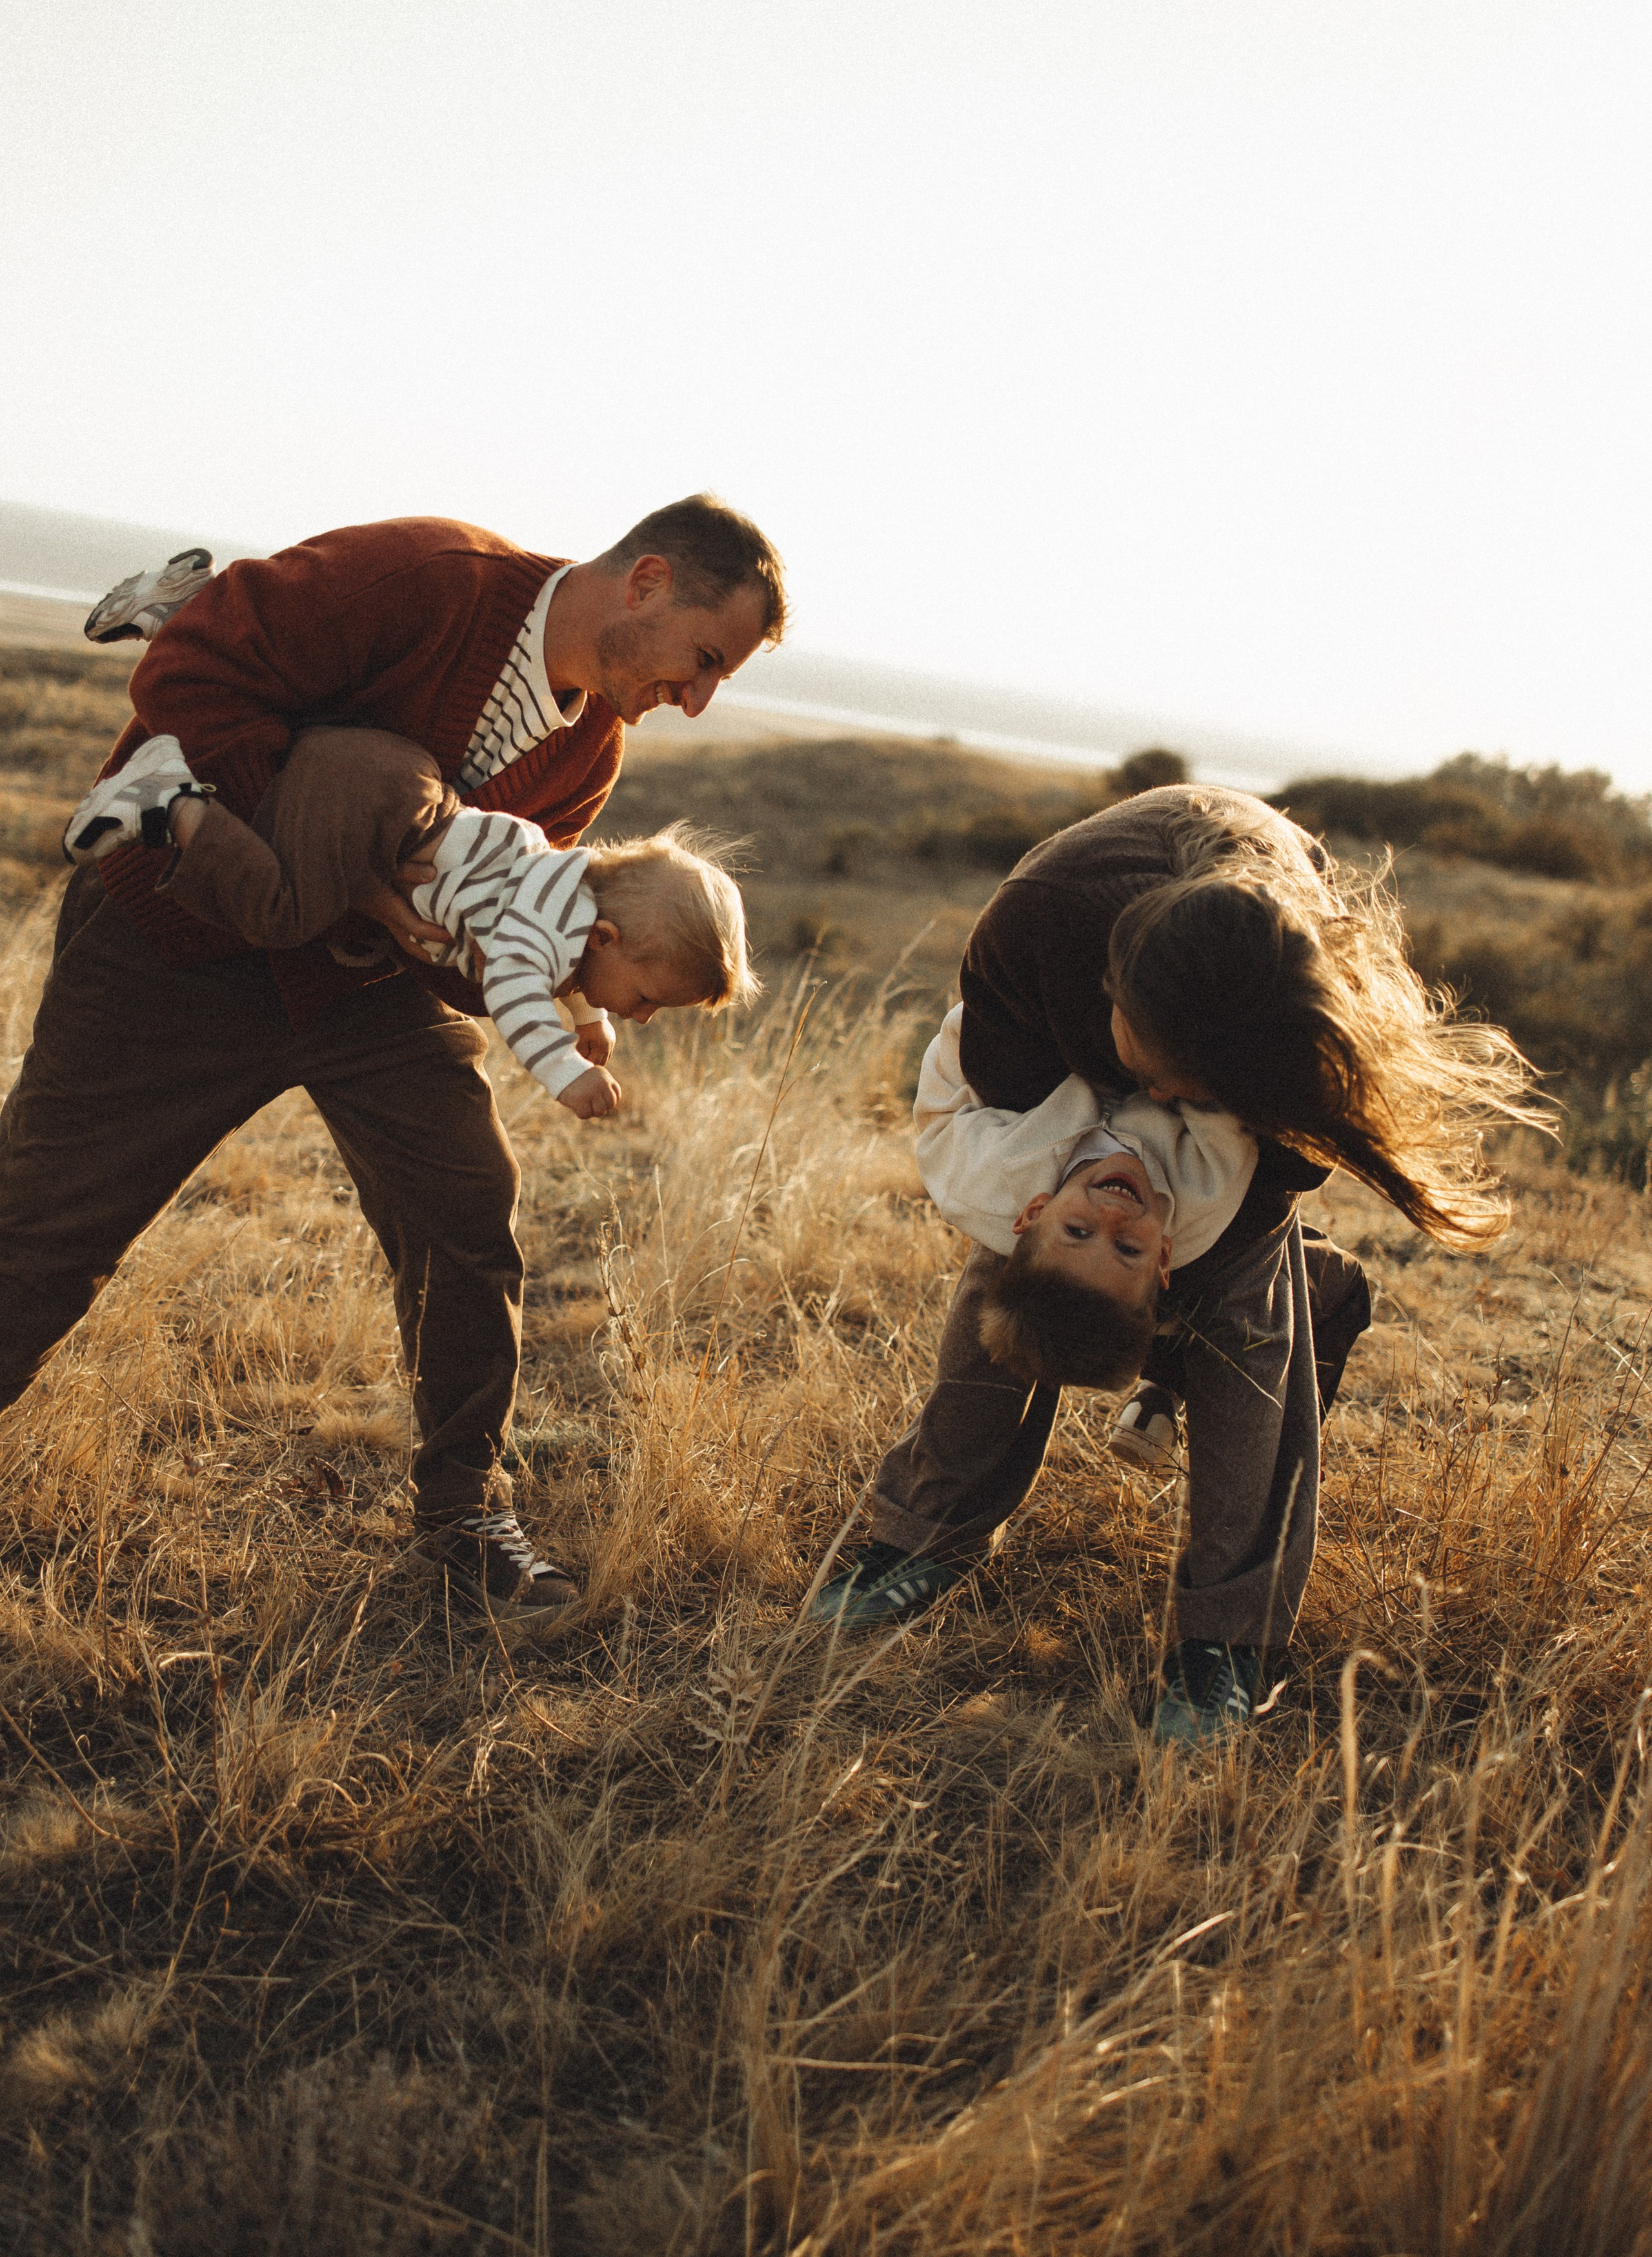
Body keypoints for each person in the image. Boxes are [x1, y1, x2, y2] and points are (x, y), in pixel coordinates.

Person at [0, 496, 786, 1628]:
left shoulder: (588, 751)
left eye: (722, 683)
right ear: (648, 582)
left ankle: (465, 1520)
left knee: (467, 1201)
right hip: (175, 939)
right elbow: (187, 677)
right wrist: (347, 863)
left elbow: (474, 926)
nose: (700, 701)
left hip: (361, 989)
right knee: (48, 1229)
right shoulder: (429, 577)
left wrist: (553, 995)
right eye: (704, 661)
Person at [811, 784, 1542, 1746]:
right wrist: (1075, 1230)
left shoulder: (1291, 1039)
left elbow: (1277, 1179)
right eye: (1151, 1072)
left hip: (1230, 1116)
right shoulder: (1036, 934)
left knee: (1249, 1320)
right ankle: (923, 1533)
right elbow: (996, 1107)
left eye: (1187, 1092)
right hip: (1044, 1114)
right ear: (1108, 998)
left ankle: (1225, 1641)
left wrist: (1172, 1267)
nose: (1157, 1096)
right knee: (1019, 1281)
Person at [63, 725, 756, 1125]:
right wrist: (564, 1070)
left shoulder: (571, 894)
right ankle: (173, 802)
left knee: (290, 889)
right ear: (603, 939)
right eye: (649, 1000)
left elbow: (562, 959)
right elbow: (517, 987)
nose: (641, 1019)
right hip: (375, 810)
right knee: (284, 911)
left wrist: (587, 1013)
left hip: (402, 787)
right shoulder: (542, 932)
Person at [909, 999, 1256, 1409]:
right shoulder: (1206, 1192)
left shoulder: (981, 1184)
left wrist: (992, 1024)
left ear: (1034, 1212)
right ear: (1164, 1257)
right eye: (1128, 1248)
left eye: (1078, 1231)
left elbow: (939, 1112)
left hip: (1051, 1024)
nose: (1111, 1216)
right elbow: (1231, 1100)